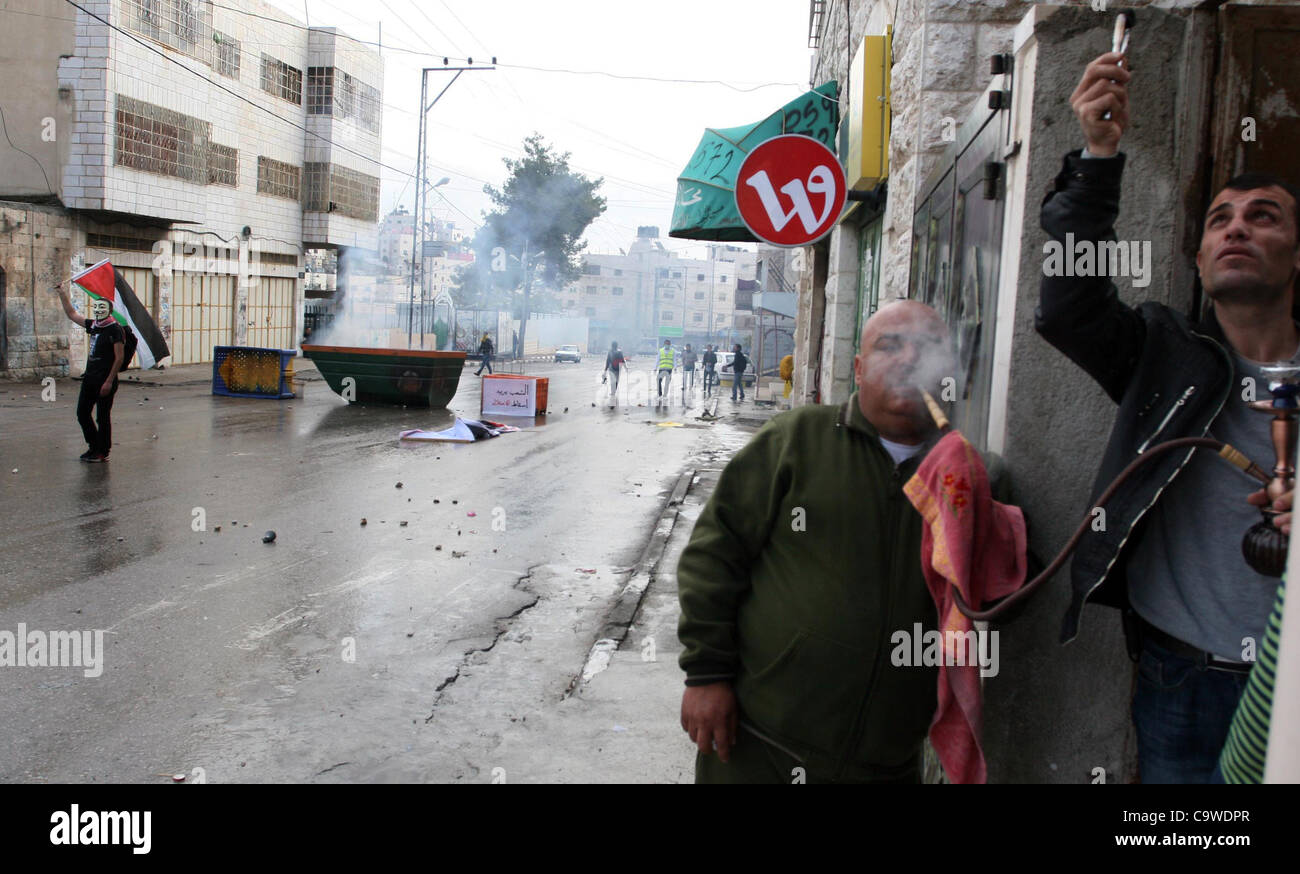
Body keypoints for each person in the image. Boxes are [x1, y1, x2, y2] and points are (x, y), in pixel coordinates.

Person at [1037, 50, 1300, 782]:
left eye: (1263, 216)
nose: (1236, 229)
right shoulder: (1167, 356)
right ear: (1201, 258)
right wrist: (1096, 157)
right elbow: (1069, 309)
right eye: (1220, 221)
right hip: (1179, 677)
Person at [677, 301, 1009, 783]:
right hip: (760, 742)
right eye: (889, 346)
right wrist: (705, 676)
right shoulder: (797, 439)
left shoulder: (967, 477)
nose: (908, 359)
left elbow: (1001, 602)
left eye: (927, 348)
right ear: (858, 368)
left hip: (886, 762)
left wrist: (990, 515)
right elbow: (714, 555)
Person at [54, 283, 124, 462]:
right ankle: (94, 446)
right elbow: (72, 314)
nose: (99, 310)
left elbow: (119, 358)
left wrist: (109, 381)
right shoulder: (94, 325)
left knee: (102, 416)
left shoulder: (115, 329)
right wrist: (62, 293)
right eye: (96, 307)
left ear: (109, 310)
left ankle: (103, 451)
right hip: (90, 378)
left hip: (105, 379)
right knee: (82, 413)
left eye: (103, 307)